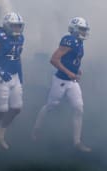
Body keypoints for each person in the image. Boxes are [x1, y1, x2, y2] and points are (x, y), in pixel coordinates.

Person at [32, 17, 92, 152]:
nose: (84, 32)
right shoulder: (69, 40)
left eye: (85, 29)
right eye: (82, 29)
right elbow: (54, 60)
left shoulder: (79, 42)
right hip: (61, 81)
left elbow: (72, 59)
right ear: (75, 29)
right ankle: (36, 129)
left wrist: (77, 70)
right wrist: (69, 72)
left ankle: (77, 142)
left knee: (79, 108)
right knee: (51, 106)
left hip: (72, 81)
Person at [0, 12, 25, 154]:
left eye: (19, 26)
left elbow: (17, 58)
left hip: (14, 76)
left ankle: (1, 132)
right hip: (0, 76)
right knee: (1, 110)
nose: (17, 29)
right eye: (14, 26)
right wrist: (1, 71)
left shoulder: (20, 38)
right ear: (7, 25)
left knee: (17, 108)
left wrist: (21, 76)